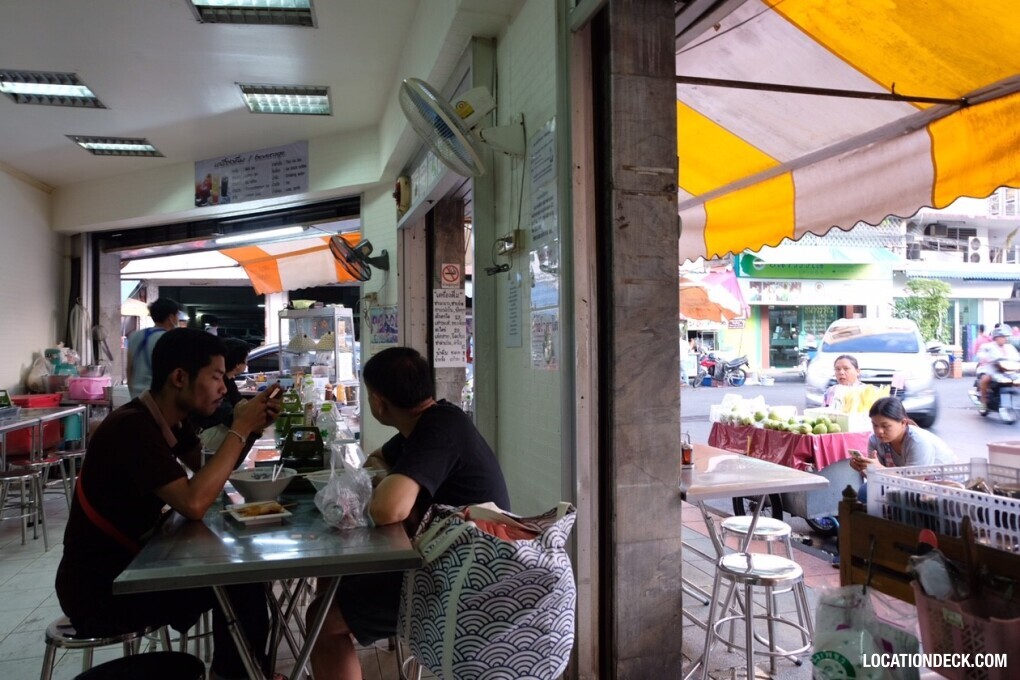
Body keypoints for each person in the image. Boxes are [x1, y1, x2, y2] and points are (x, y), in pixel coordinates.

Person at [55, 328, 283, 680]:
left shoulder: (169, 422)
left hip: (139, 566)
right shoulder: (132, 428)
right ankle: (240, 675)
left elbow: (208, 474)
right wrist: (239, 428)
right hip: (104, 590)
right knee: (242, 581)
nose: (224, 388)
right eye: (216, 377)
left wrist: (251, 430)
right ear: (179, 377)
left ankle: (239, 671)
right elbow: (194, 502)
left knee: (241, 577)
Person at [307, 346, 510, 680]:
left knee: (322, 618)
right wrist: (390, 480)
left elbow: (388, 508)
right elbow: (375, 459)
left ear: (377, 401)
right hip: (450, 566)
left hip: (467, 584)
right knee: (333, 578)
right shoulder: (427, 425)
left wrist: (389, 487)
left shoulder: (439, 428)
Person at [849, 396, 955, 502]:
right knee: (866, 491)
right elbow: (876, 478)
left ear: (903, 423)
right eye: (875, 425)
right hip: (901, 485)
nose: (879, 431)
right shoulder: (874, 440)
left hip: (943, 489)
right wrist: (864, 468)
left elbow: (914, 484)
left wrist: (879, 468)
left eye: (885, 426)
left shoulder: (918, 442)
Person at [192, 338, 252, 450]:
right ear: (237, 364)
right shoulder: (218, 385)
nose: (223, 389)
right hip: (208, 434)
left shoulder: (229, 382)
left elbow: (239, 403)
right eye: (245, 359)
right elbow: (227, 415)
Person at [126, 298, 180, 399]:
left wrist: (132, 392)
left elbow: (129, 369)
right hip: (157, 398)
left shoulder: (135, 336)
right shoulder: (168, 339)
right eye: (177, 315)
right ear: (171, 317)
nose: (178, 319)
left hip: (136, 396)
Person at [977, 326, 1020, 411]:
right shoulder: (988, 346)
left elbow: (1017, 357)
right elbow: (981, 354)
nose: (1004, 339)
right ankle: (983, 401)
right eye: (1002, 337)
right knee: (985, 379)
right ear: (996, 338)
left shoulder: (1009, 347)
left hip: (1007, 371)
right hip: (991, 370)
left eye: (1004, 337)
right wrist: (985, 358)